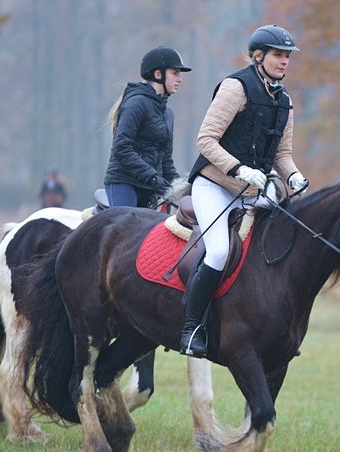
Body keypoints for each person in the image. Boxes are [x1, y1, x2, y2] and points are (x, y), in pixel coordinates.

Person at [179, 24, 310, 358]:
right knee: (219, 252)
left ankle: (275, 330)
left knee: (279, 247)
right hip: (215, 185)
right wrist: (238, 169)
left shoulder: (284, 100)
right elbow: (205, 139)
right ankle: (191, 328)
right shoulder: (235, 88)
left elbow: (282, 154)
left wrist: (294, 176)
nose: (285, 61)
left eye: (288, 56)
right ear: (259, 56)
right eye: (278, 55)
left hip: (255, 191)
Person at [103, 47, 191, 208]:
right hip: (124, 183)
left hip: (150, 187)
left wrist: (181, 188)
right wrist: (153, 178)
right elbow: (121, 148)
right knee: (128, 224)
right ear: (158, 74)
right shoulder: (136, 104)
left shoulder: (167, 113)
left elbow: (166, 161)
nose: (180, 79)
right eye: (175, 73)